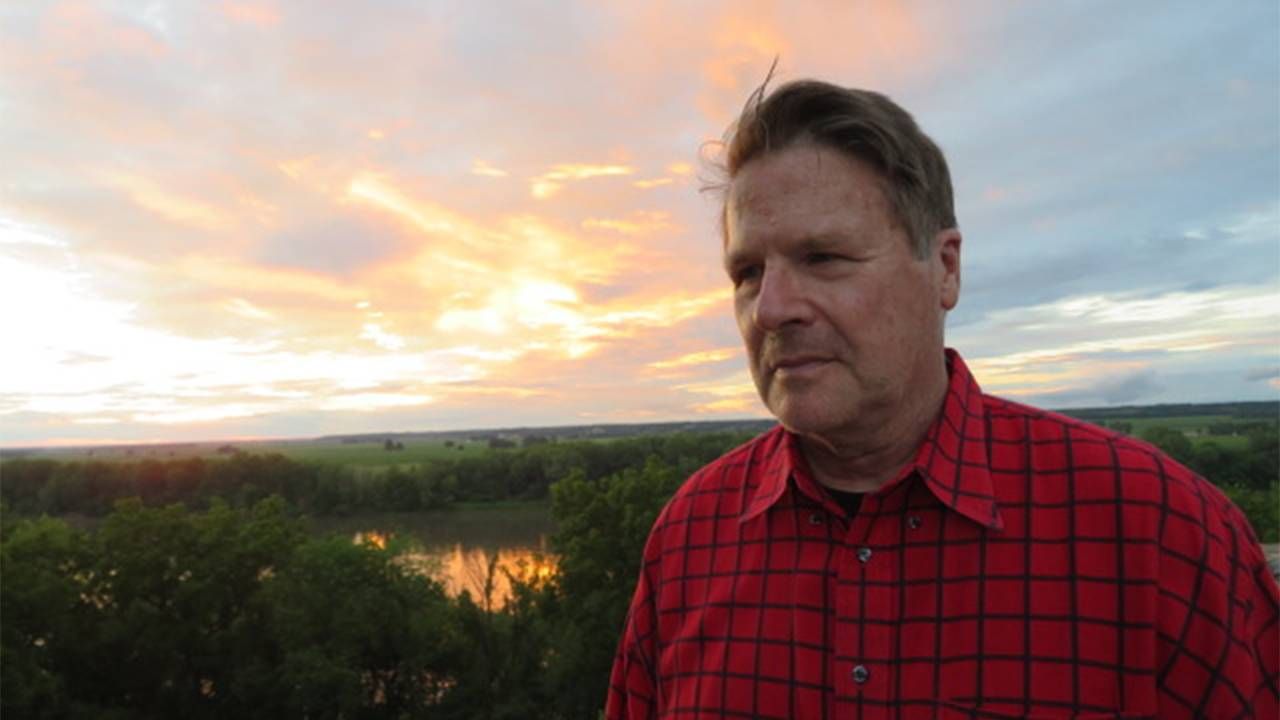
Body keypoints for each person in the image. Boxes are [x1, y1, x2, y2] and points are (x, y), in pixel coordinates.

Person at [605, 78, 1279, 719]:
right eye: (747, 273)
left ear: (945, 269)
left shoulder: (1164, 532)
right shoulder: (690, 536)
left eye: (824, 258)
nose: (772, 308)